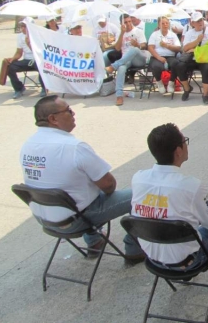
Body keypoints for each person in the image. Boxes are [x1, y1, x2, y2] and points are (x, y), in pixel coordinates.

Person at [20, 96, 143, 261]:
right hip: (76, 219)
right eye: (68, 110)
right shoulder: (74, 147)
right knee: (142, 195)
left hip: (45, 218)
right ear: (53, 119)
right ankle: (133, 249)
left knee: (80, 193)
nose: (73, 113)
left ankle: (94, 241)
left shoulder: (27, 145)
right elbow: (109, 185)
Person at [131, 123, 208, 288]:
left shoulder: (138, 178)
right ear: (178, 151)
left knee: (180, 228)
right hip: (189, 261)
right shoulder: (191, 186)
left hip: (154, 259)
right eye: (185, 141)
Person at [173, 12, 208, 104]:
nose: (200, 22)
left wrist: (195, 50)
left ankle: (205, 95)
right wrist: (197, 41)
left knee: (207, 68)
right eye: (197, 21)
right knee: (179, 66)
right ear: (192, 23)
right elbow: (185, 48)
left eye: (201, 20)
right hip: (193, 59)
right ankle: (187, 89)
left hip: (206, 59)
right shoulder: (189, 33)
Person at [104, 13, 148, 106]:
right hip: (126, 59)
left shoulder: (138, 31)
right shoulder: (121, 34)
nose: (128, 24)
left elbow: (144, 45)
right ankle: (119, 95)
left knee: (134, 49)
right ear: (121, 24)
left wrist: (138, 45)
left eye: (129, 21)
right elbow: (117, 48)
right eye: (126, 22)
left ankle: (113, 66)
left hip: (139, 59)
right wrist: (122, 33)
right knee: (121, 68)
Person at [7, 18, 46, 98]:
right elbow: (19, 52)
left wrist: (29, 44)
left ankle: (44, 88)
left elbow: (40, 52)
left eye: (25, 26)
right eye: (22, 26)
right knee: (10, 67)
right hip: (26, 59)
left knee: (41, 66)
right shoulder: (20, 36)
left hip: (37, 59)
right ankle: (19, 88)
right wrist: (13, 59)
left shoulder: (38, 35)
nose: (22, 28)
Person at [147, 16, 181, 95]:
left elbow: (178, 48)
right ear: (159, 25)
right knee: (156, 66)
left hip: (170, 56)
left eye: (167, 23)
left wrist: (167, 46)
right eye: (163, 23)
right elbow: (150, 48)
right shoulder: (154, 34)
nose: (165, 25)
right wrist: (159, 57)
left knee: (176, 63)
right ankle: (159, 82)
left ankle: (171, 82)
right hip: (157, 56)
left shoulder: (173, 35)